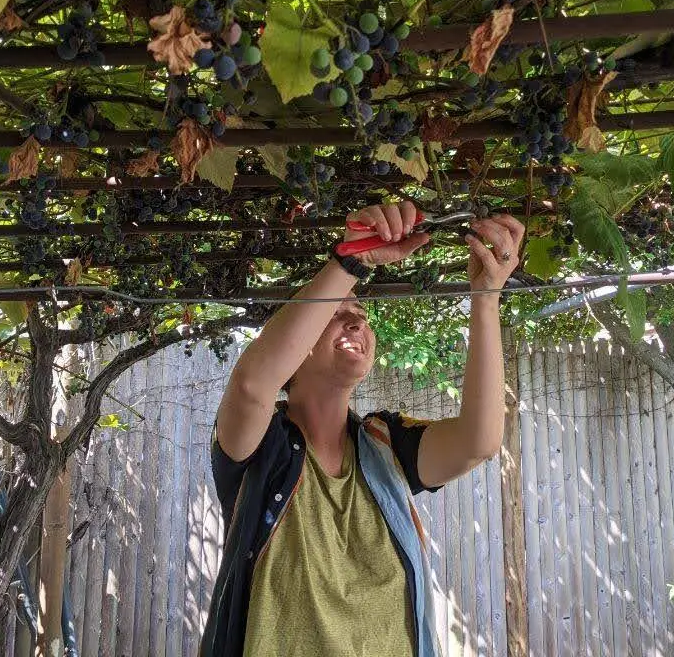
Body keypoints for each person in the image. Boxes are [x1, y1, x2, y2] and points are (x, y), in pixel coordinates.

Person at [202, 200, 525, 657]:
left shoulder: (385, 445)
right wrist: (350, 261)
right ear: (295, 342)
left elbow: (479, 441)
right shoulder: (259, 448)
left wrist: (486, 298)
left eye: (362, 315)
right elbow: (254, 384)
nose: (357, 321)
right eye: (335, 313)